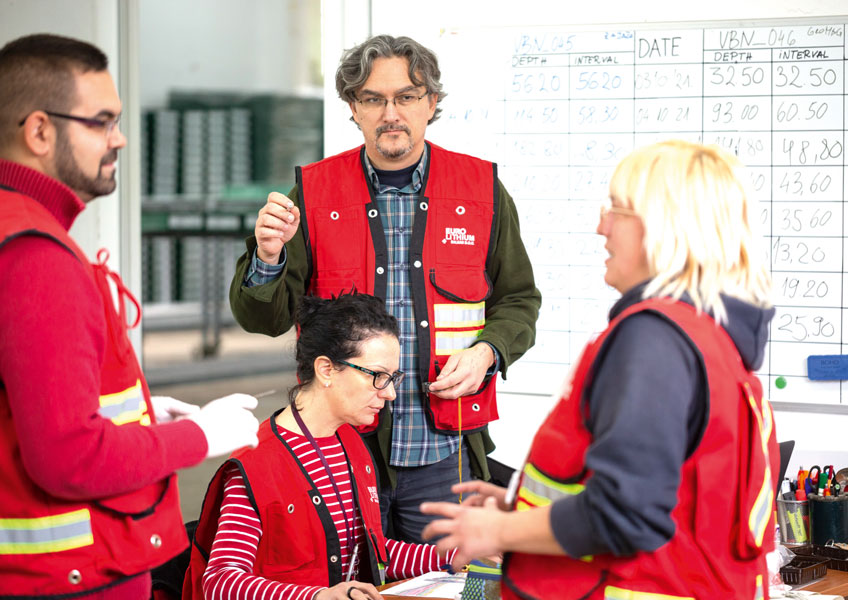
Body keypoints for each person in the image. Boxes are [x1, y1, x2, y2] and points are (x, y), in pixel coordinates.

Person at [421, 140, 781, 599]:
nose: (600, 227)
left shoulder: (653, 340)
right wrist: (522, 511)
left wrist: (498, 531)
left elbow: (626, 515)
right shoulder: (711, 339)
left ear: (663, 225)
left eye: (616, 210)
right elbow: (670, 502)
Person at [229, 34, 541, 542]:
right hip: (338, 449)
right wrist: (267, 256)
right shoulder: (313, 193)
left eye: (406, 97)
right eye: (373, 99)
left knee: (444, 578)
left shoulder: (481, 190)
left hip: (442, 451)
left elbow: (519, 300)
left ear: (431, 102)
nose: (390, 113)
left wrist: (487, 351)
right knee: (346, 577)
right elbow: (263, 319)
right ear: (353, 107)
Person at [0, 34, 260, 599]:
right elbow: (69, 458)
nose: (119, 138)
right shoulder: (38, 257)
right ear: (39, 131)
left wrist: (137, 415)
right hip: (70, 580)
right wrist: (197, 436)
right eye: (101, 122)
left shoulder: (16, 232)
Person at [184, 293, 459, 600]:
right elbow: (220, 581)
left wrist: (455, 555)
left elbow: (373, 553)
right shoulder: (255, 464)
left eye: (393, 377)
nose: (390, 393)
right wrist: (316, 596)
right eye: (379, 376)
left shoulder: (351, 444)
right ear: (326, 369)